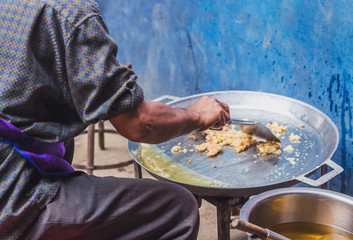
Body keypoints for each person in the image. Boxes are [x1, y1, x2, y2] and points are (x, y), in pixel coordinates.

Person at [0, 0, 230, 239]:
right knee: (176, 206)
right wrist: (199, 115)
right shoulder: (69, 13)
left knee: (61, 139)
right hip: (11, 198)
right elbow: (141, 123)